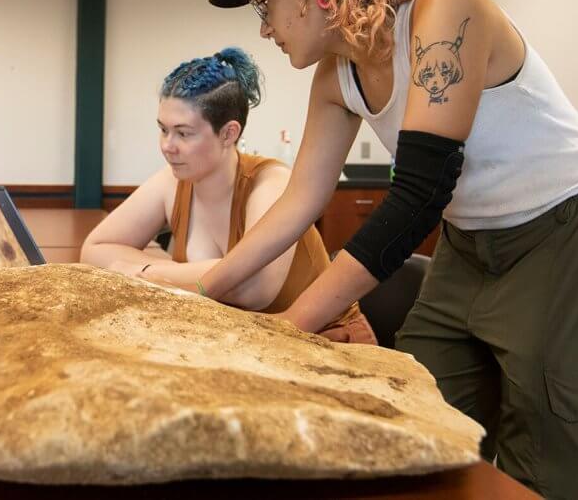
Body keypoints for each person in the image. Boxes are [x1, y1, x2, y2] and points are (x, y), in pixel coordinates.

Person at [182, 0, 578, 499]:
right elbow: (300, 202)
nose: (264, 27)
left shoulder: (447, 9)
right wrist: (203, 296)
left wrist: (290, 326)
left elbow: (420, 193)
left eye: (266, 4)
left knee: (553, 453)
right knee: (417, 413)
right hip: (470, 241)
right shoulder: (336, 72)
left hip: (570, 230)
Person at [81, 46, 376, 344]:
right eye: (163, 130)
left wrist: (147, 272)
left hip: (327, 341)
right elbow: (95, 247)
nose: (167, 146)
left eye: (183, 133)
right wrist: (167, 275)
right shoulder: (171, 182)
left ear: (228, 133)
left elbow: (253, 288)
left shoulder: (270, 183)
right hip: (246, 342)